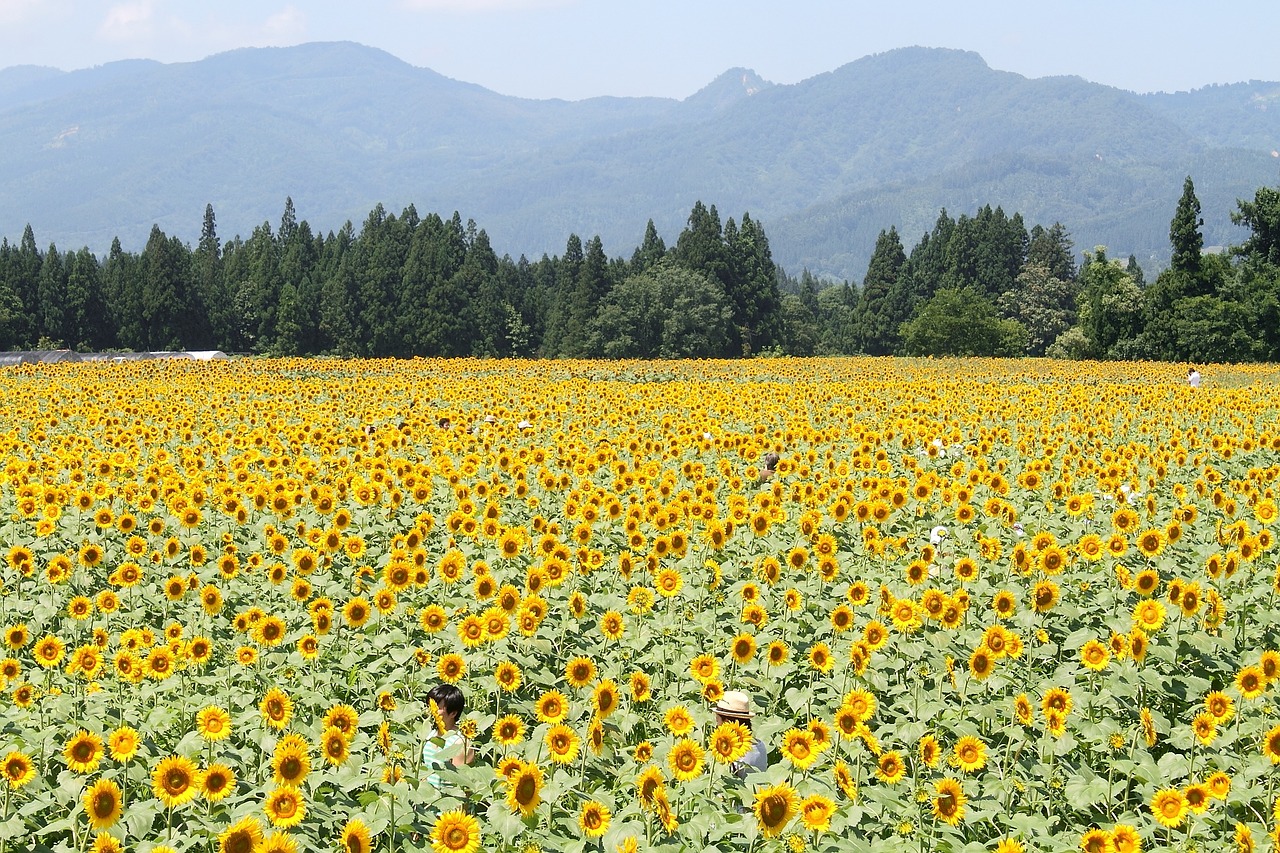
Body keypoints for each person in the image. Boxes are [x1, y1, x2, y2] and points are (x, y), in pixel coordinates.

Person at [422, 684, 473, 788]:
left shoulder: (460, 743)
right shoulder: (429, 734)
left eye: (437, 708)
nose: (430, 711)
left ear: (453, 713)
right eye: (430, 706)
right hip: (429, 800)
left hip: (448, 800)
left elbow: (462, 786)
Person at [713, 691, 767, 779]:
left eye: (717, 720)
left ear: (726, 722)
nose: (717, 725)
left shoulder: (735, 754)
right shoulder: (760, 746)